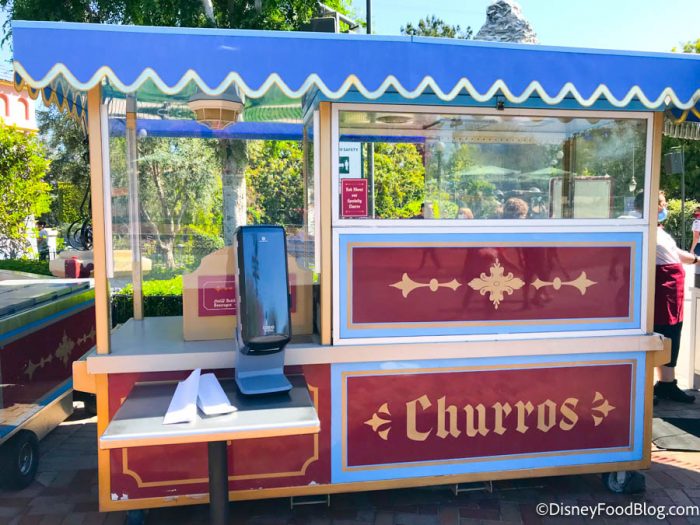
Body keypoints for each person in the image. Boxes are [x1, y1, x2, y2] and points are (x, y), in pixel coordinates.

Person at [654, 191, 697, 403]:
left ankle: (667, 383)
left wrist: (696, 259)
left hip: (672, 290)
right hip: (663, 289)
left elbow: (676, 254)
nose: (665, 208)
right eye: (662, 204)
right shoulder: (644, 228)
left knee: (672, 332)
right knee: (663, 332)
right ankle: (653, 384)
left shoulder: (659, 231)